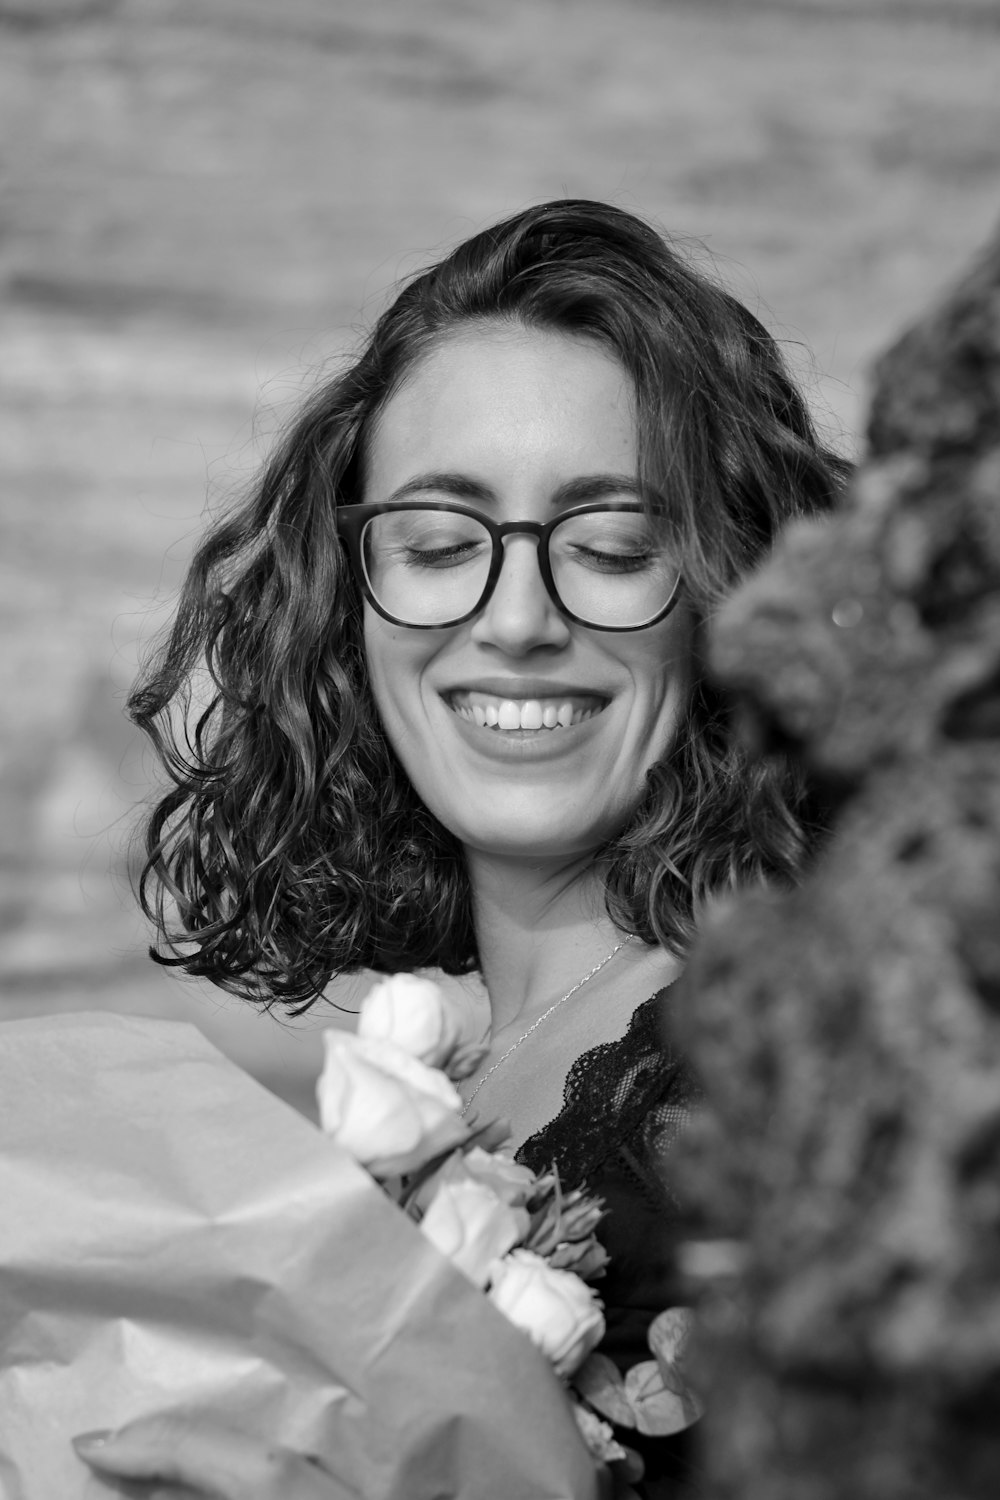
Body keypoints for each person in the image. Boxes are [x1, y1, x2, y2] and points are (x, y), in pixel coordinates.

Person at [76, 199, 850, 1498]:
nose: (518, 619)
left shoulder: (804, 1062)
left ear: (728, 589)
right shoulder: (435, 1060)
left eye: (610, 547)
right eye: (439, 546)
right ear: (345, 597)